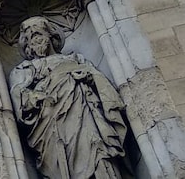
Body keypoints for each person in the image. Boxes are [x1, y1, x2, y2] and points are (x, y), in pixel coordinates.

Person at [9, 17, 129, 178]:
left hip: (85, 114)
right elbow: (18, 95)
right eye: (30, 38)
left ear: (50, 35)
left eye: (39, 34)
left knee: (97, 150)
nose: (35, 40)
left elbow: (100, 82)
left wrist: (88, 76)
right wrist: (36, 96)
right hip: (51, 123)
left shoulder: (75, 59)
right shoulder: (25, 69)